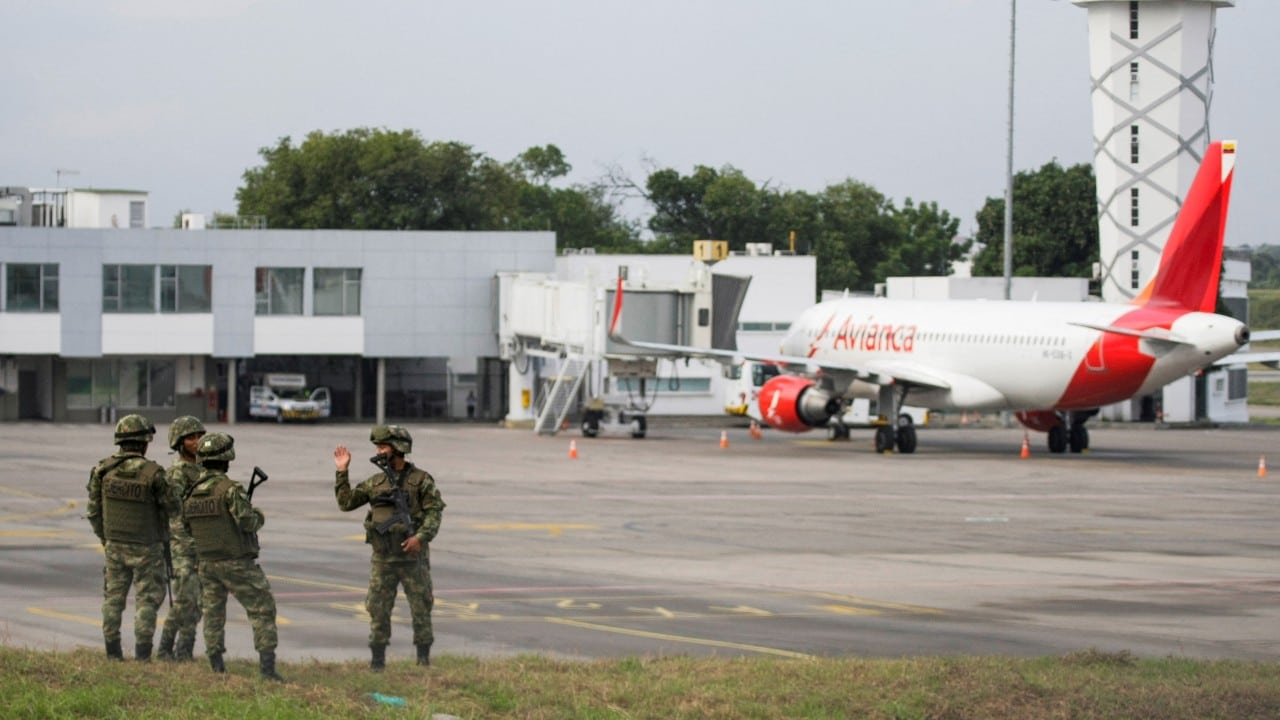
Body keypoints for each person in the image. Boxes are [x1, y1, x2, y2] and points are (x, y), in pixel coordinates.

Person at [333, 425, 445, 670]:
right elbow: (346, 502)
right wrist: (342, 471)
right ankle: (377, 661)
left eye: (383, 447)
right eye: (378, 447)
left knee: (421, 607)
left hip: (412, 559)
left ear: (397, 448)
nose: (379, 451)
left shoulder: (421, 480)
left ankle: (423, 659)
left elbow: (434, 513)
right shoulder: (376, 482)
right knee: (378, 609)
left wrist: (420, 538)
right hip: (383, 559)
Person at [183, 432, 283, 681]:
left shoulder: (192, 493)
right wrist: (258, 514)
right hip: (235, 561)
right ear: (226, 459)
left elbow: (187, 528)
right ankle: (267, 669)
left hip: (207, 562)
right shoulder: (229, 489)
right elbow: (249, 522)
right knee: (262, 607)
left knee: (213, 613)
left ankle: (216, 666)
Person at [86, 413, 178, 661]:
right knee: (147, 601)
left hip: (115, 545)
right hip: (148, 548)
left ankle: (113, 653)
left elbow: (93, 512)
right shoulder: (154, 473)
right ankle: (143, 655)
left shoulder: (102, 470)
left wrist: (106, 538)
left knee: (113, 599)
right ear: (144, 443)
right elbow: (172, 507)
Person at [156, 416, 206, 661]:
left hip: (205, 544)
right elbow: (175, 519)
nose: (196, 442)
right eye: (190, 438)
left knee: (199, 604)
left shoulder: (205, 470)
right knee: (186, 600)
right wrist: (193, 550)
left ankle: (182, 651)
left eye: (199, 437)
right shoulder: (177, 474)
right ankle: (169, 650)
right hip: (183, 547)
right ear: (179, 442)